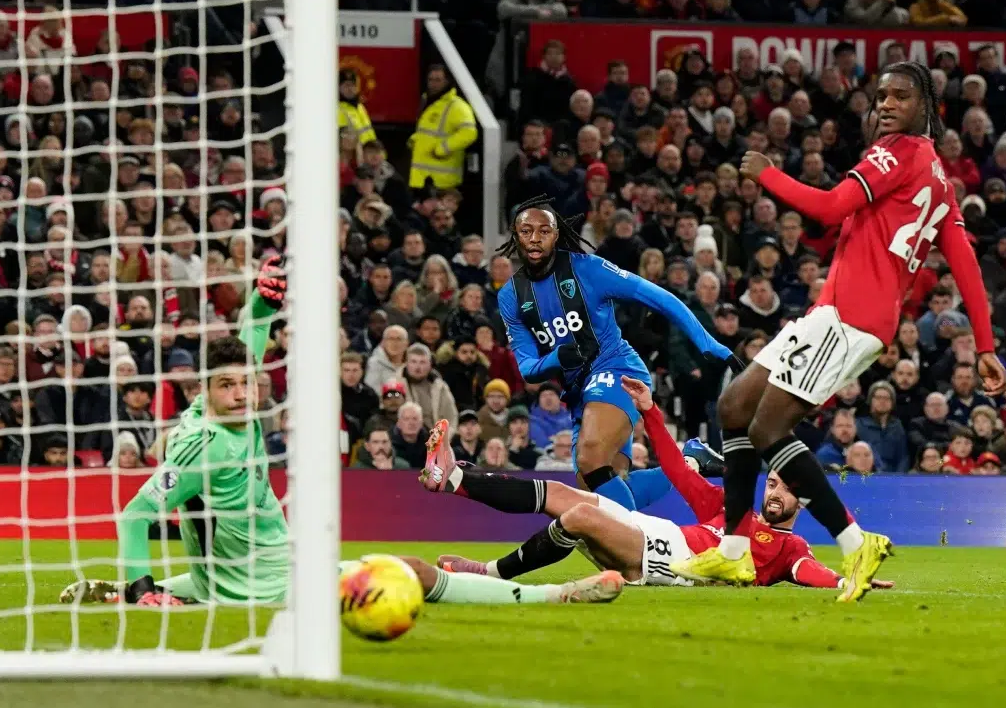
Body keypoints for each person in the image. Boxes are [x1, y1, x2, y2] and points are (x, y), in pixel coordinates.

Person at [61, 257, 621, 608]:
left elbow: (249, 339)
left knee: (234, 574)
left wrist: (262, 300)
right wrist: (145, 593)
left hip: (243, 571)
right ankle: (556, 593)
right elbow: (136, 514)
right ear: (203, 392)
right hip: (273, 584)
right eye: (228, 386)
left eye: (246, 384)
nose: (243, 393)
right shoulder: (209, 447)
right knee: (420, 573)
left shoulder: (216, 413)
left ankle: (124, 590)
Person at [684, 61, 1006, 602]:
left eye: (900, 96)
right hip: (835, 312)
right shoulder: (938, 182)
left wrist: (766, 173)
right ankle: (735, 552)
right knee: (734, 407)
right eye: (880, 96)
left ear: (926, 105)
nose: (885, 104)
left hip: (851, 316)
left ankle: (856, 542)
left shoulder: (898, 153)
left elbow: (831, 207)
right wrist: (988, 346)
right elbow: (966, 265)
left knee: (766, 430)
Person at [424, 377, 893, 591]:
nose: (773, 492)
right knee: (561, 494)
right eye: (771, 482)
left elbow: (811, 574)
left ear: (800, 500)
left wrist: (845, 578)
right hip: (650, 532)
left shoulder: (790, 550)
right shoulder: (729, 511)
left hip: (664, 561)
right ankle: (455, 479)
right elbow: (675, 467)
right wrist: (650, 411)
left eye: (784, 488)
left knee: (580, 516)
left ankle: (486, 576)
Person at [492, 194, 737, 513]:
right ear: (515, 234)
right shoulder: (511, 296)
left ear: (556, 234)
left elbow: (660, 298)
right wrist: (559, 358)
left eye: (544, 230)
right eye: (526, 231)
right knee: (602, 493)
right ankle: (690, 461)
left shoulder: (589, 270)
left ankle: (641, 550)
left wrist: (708, 343)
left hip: (618, 370)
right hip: (580, 391)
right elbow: (527, 367)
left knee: (590, 457)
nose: (535, 238)